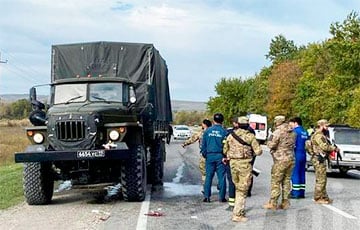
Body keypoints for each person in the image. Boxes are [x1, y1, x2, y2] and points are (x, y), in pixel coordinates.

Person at [223, 116, 263, 222]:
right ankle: (237, 214)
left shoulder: (230, 136)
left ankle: (238, 209)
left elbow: (225, 150)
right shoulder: (250, 137)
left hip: (233, 165)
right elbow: (258, 151)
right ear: (247, 125)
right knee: (242, 190)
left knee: (237, 187)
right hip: (244, 165)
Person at [263, 115, 295, 210]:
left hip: (280, 159)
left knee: (276, 181)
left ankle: (273, 203)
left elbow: (271, 145)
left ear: (277, 122)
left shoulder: (277, 132)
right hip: (291, 158)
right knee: (286, 180)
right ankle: (285, 202)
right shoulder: (293, 132)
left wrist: (268, 142)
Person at [201, 113, 228, 203]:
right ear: (222, 121)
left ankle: (206, 196)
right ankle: (222, 197)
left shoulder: (207, 131)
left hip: (210, 156)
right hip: (220, 156)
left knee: (208, 176)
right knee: (221, 177)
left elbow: (203, 145)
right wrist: (225, 156)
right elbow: (227, 146)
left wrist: (205, 154)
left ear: (213, 121)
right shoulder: (224, 132)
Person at [310, 119, 338, 204]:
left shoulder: (322, 134)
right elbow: (324, 147)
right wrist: (334, 148)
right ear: (321, 126)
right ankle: (318, 198)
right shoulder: (319, 135)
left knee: (323, 178)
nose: (327, 127)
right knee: (321, 179)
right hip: (319, 159)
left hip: (320, 159)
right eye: (326, 126)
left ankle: (324, 197)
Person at [182, 119, 212, 185]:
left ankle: (206, 185)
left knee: (204, 171)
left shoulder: (201, 133)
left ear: (204, 125)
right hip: (215, 154)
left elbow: (192, 139)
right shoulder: (213, 132)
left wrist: (185, 144)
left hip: (204, 154)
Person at [289, 117, 308, 199]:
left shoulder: (295, 132)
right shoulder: (305, 131)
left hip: (296, 153)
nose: (291, 126)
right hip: (303, 154)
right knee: (302, 173)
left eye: (291, 124)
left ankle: (295, 192)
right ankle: (301, 192)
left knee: (295, 173)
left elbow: (292, 144)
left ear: (295, 123)